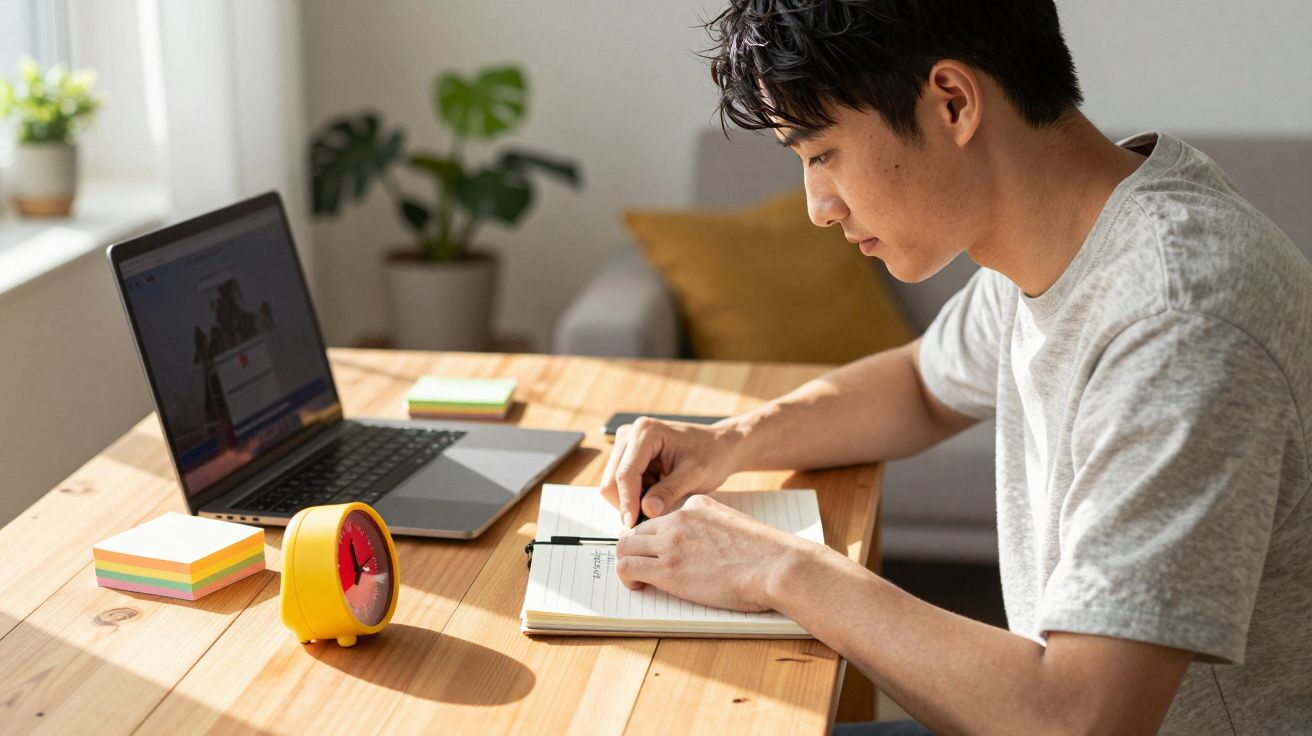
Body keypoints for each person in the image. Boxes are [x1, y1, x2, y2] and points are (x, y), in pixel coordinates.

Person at [598, 2, 1312, 733]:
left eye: (821, 153)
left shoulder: (1176, 319)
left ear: (952, 103)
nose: (818, 207)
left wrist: (776, 569)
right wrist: (730, 440)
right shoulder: (1061, 236)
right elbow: (921, 384)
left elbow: (1079, 719)